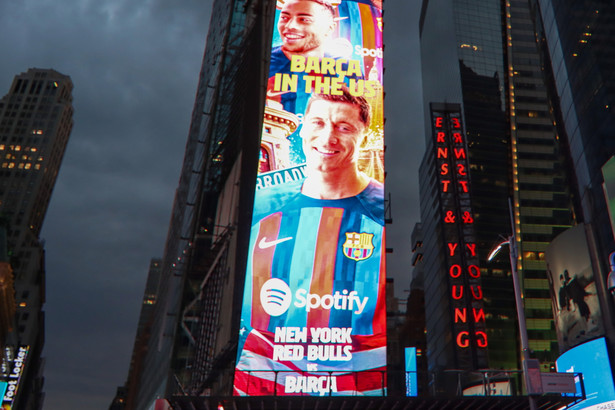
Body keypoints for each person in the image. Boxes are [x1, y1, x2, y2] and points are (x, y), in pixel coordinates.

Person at [234, 88, 385, 396]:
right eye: (318, 123)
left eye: (344, 128)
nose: (328, 138)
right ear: (302, 128)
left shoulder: (386, 212)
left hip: (363, 384)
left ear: (364, 137)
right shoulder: (258, 206)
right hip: (263, 382)